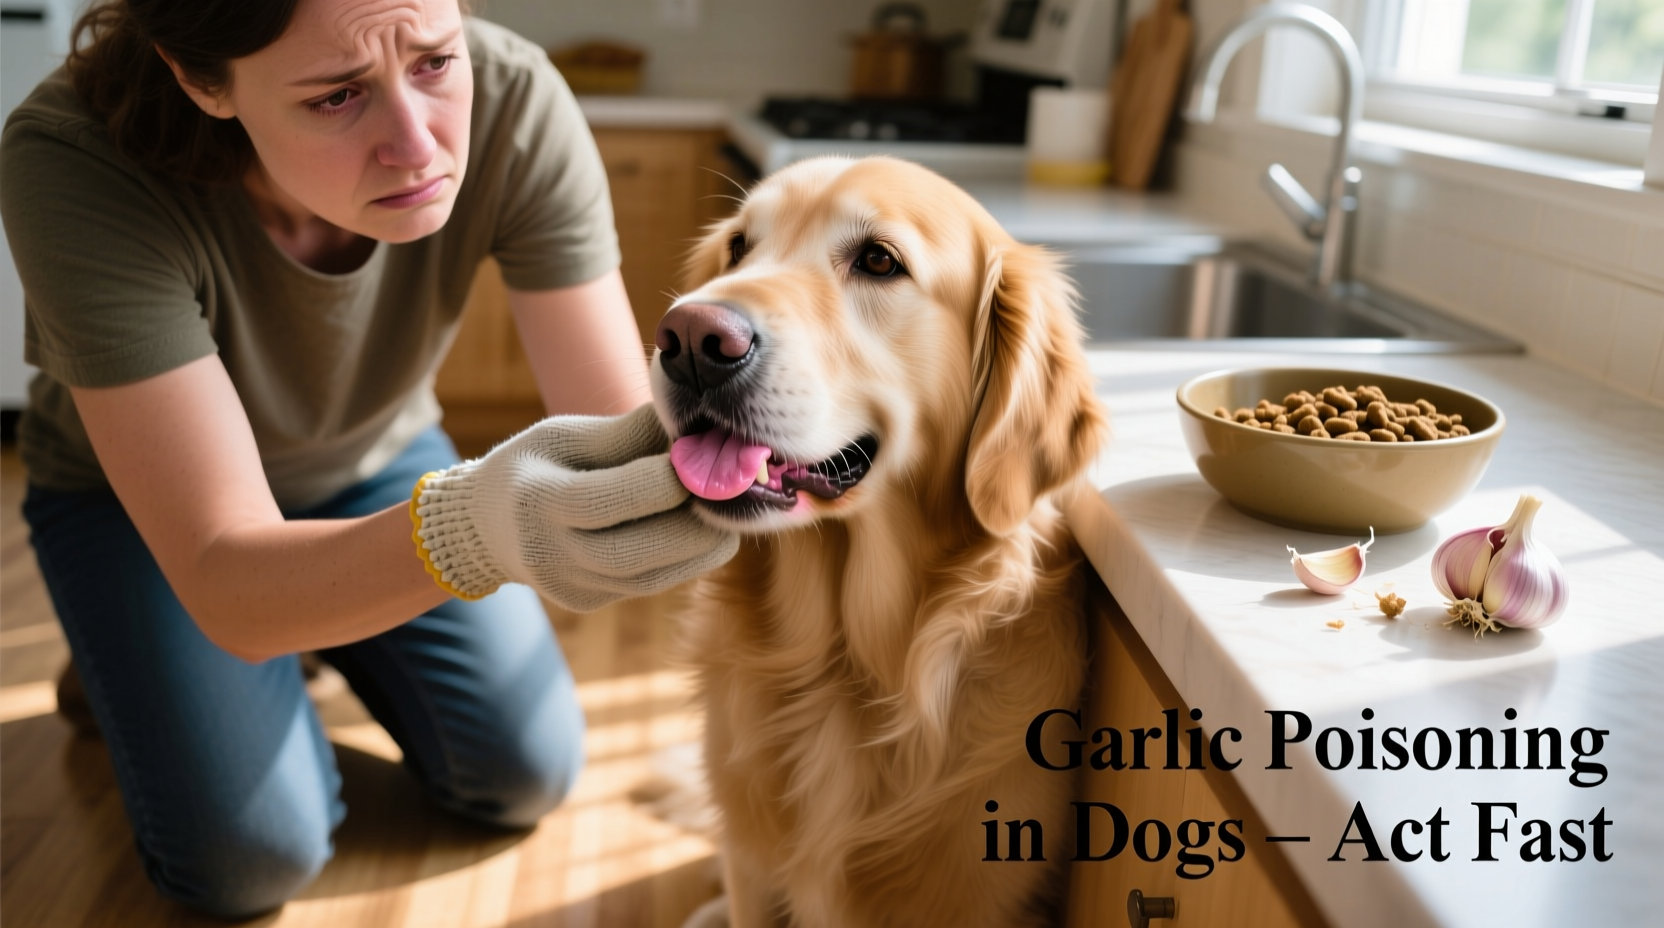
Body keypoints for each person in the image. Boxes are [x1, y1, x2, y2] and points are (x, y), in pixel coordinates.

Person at [0, 0, 737, 917]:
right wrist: (474, 532)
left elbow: (618, 436)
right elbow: (230, 569)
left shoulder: (516, 98)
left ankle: (230, 654)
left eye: (433, 62)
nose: (418, 146)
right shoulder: (72, 155)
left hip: (376, 456)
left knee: (523, 775)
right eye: (337, 96)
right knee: (249, 862)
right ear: (201, 80)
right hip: (145, 515)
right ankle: (145, 649)